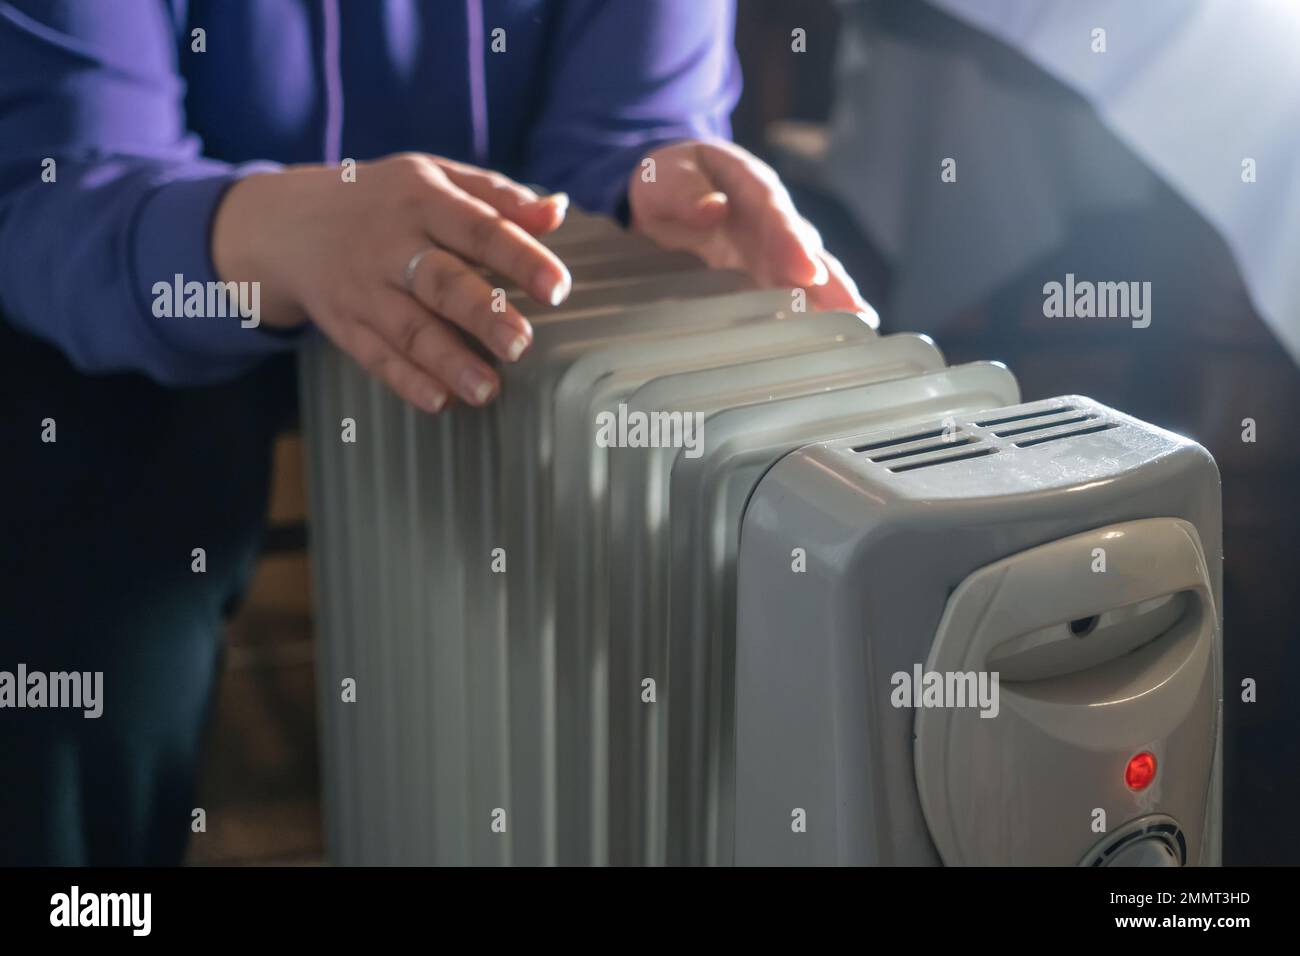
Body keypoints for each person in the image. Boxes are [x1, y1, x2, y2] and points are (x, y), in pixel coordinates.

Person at [0, 0, 868, 864]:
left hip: (497, 320)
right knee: (89, 623)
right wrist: (277, 230)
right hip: (166, 296)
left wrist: (652, 189)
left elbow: (622, 131)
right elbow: (60, 182)